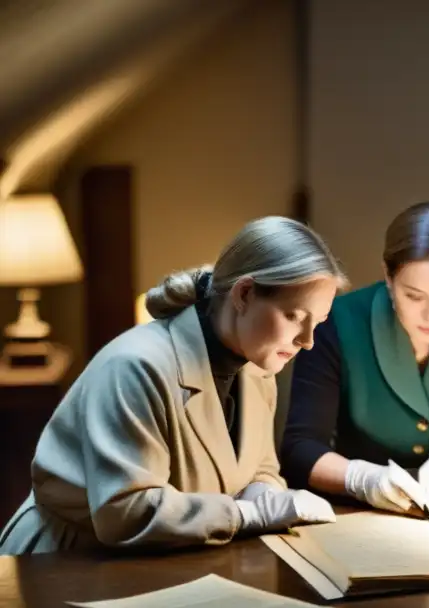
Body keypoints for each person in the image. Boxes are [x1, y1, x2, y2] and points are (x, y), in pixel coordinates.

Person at [0, 216, 348, 555]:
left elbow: (260, 468)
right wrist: (245, 514)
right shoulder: (135, 366)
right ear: (244, 293)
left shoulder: (258, 369)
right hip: (66, 563)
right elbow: (125, 512)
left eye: (316, 323)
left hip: (174, 558)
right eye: (295, 317)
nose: (307, 341)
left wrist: (264, 492)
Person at [280, 201, 429, 513]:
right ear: (388, 276)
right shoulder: (336, 322)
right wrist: (362, 479)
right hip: (362, 516)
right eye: (414, 295)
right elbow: (301, 450)